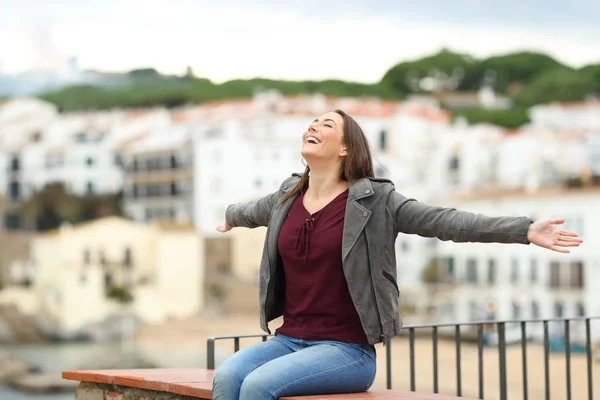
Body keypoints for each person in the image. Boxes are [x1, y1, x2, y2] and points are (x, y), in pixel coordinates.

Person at [212, 110, 583, 400]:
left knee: (258, 386)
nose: (315, 125)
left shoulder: (376, 202)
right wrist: (229, 218)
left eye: (327, 124)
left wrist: (525, 230)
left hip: (346, 351)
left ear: (345, 148)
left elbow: (447, 221)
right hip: (289, 339)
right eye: (313, 121)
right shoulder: (287, 196)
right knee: (228, 375)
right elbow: (251, 211)